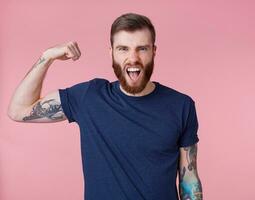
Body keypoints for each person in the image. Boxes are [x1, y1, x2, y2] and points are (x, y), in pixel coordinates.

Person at [7, 13, 203, 200]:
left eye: (142, 48)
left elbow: (189, 178)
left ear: (153, 51)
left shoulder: (181, 106)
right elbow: (19, 110)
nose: (133, 58)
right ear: (111, 53)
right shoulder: (88, 97)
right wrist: (47, 57)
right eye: (123, 49)